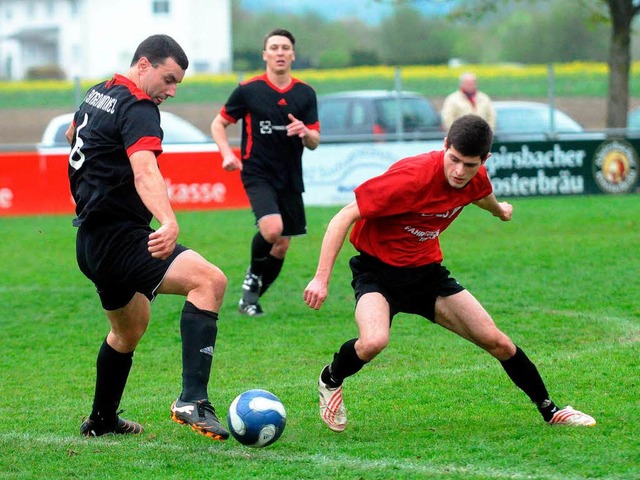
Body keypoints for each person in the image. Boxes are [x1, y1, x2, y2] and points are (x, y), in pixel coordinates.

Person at [303, 114, 595, 432]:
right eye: (453, 159)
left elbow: (481, 195)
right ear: (445, 145)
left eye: (468, 165)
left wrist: (500, 211)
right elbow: (343, 217)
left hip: (427, 276)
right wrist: (321, 278)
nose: (458, 172)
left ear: (484, 160)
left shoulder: (476, 178)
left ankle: (551, 411)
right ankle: (330, 378)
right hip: (378, 272)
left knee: (498, 342)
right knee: (374, 341)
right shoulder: (410, 177)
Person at [67, 34, 229, 440]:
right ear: (144, 65)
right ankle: (193, 400)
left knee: (129, 330)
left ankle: (102, 420)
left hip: (89, 240)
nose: (171, 91)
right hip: (121, 239)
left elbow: (73, 135)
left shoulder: (99, 92)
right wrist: (168, 221)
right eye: (168, 79)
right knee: (209, 281)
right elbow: (145, 171)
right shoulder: (139, 106)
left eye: (177, 84)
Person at [211, 27, 320, 317]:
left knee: (282, 246)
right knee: (272, 229)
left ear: (293, 54)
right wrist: (226, 154)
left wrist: (305, 132)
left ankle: (252, 297)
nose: (280, 52)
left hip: (290, 175)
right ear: (265, 55)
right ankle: (251, 278)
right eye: (274, 48)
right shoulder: (249, 90)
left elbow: (315, 142)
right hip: (257, 171)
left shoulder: (305, 93)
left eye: (285, 47)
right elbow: (218, 123)